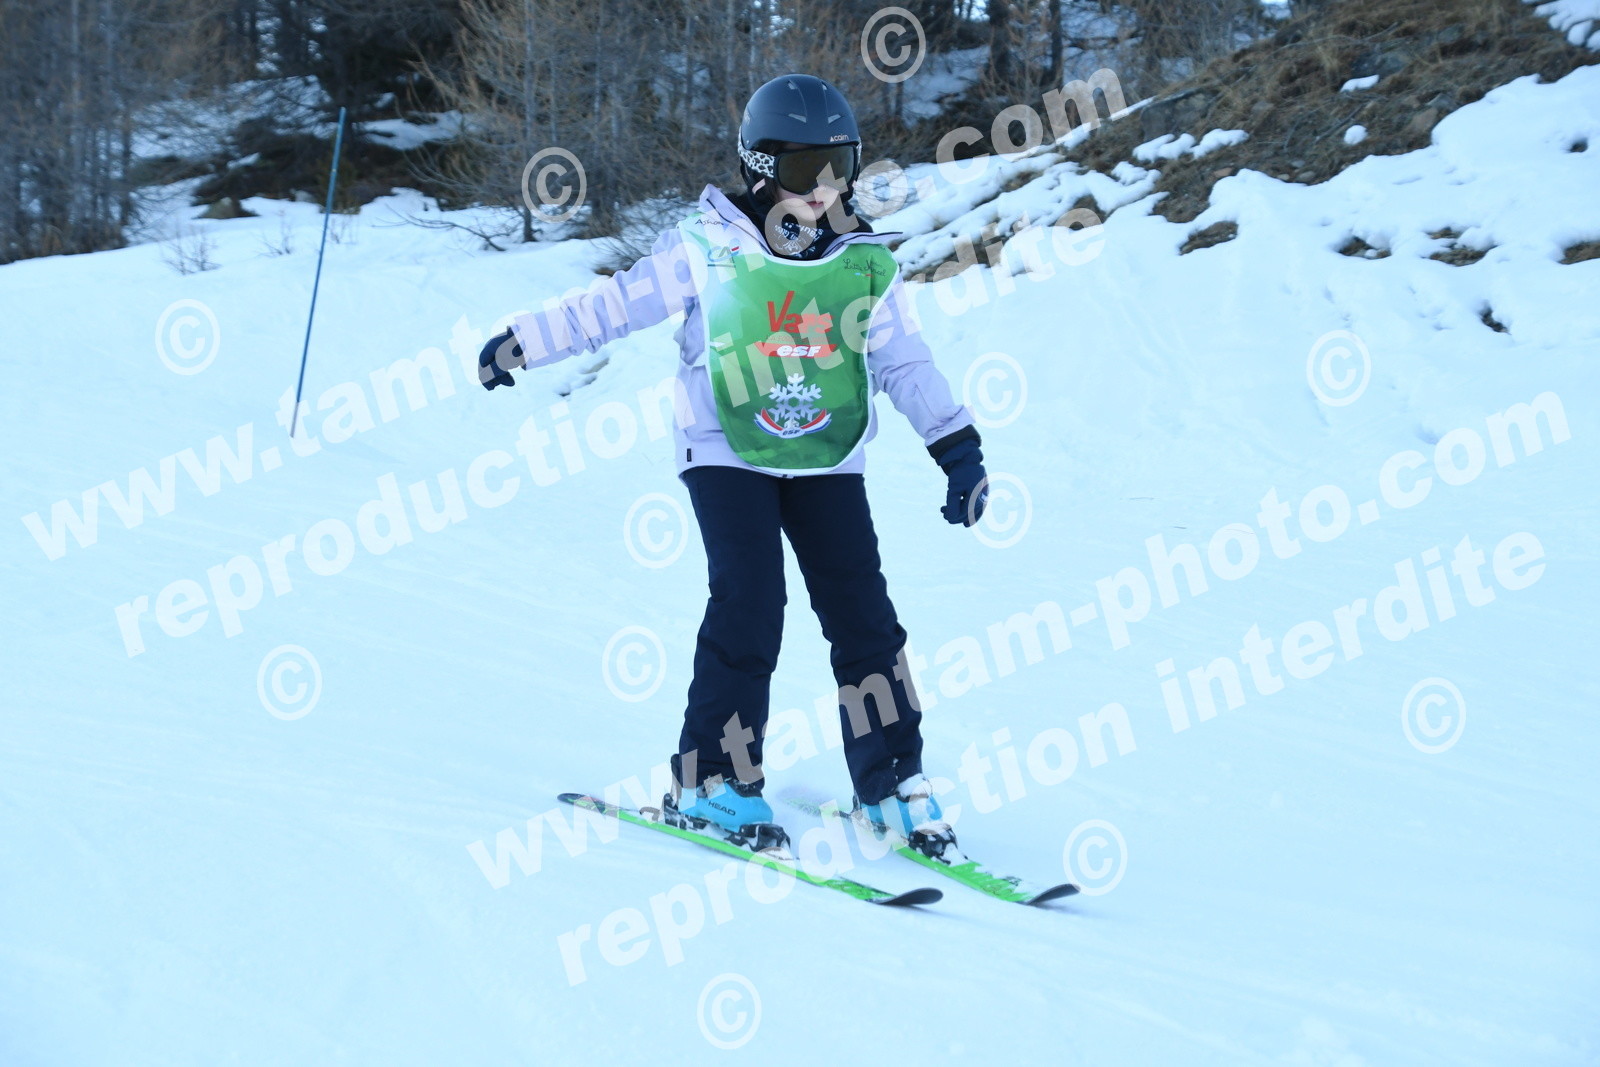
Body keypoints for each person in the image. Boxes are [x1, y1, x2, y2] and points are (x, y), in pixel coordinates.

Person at [478, 73, 989, 854]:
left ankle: (892, 779)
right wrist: (526, 341)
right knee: (751, 600)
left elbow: (904, 361)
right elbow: (613, 306)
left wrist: (956, 447)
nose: (822, 187)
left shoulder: (859, 260)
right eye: (803, 168)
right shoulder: (705, 245)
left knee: (865, 618)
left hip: (826, 451)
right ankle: (711, 778)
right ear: (760, 166)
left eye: (840, 166)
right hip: (725, 444)